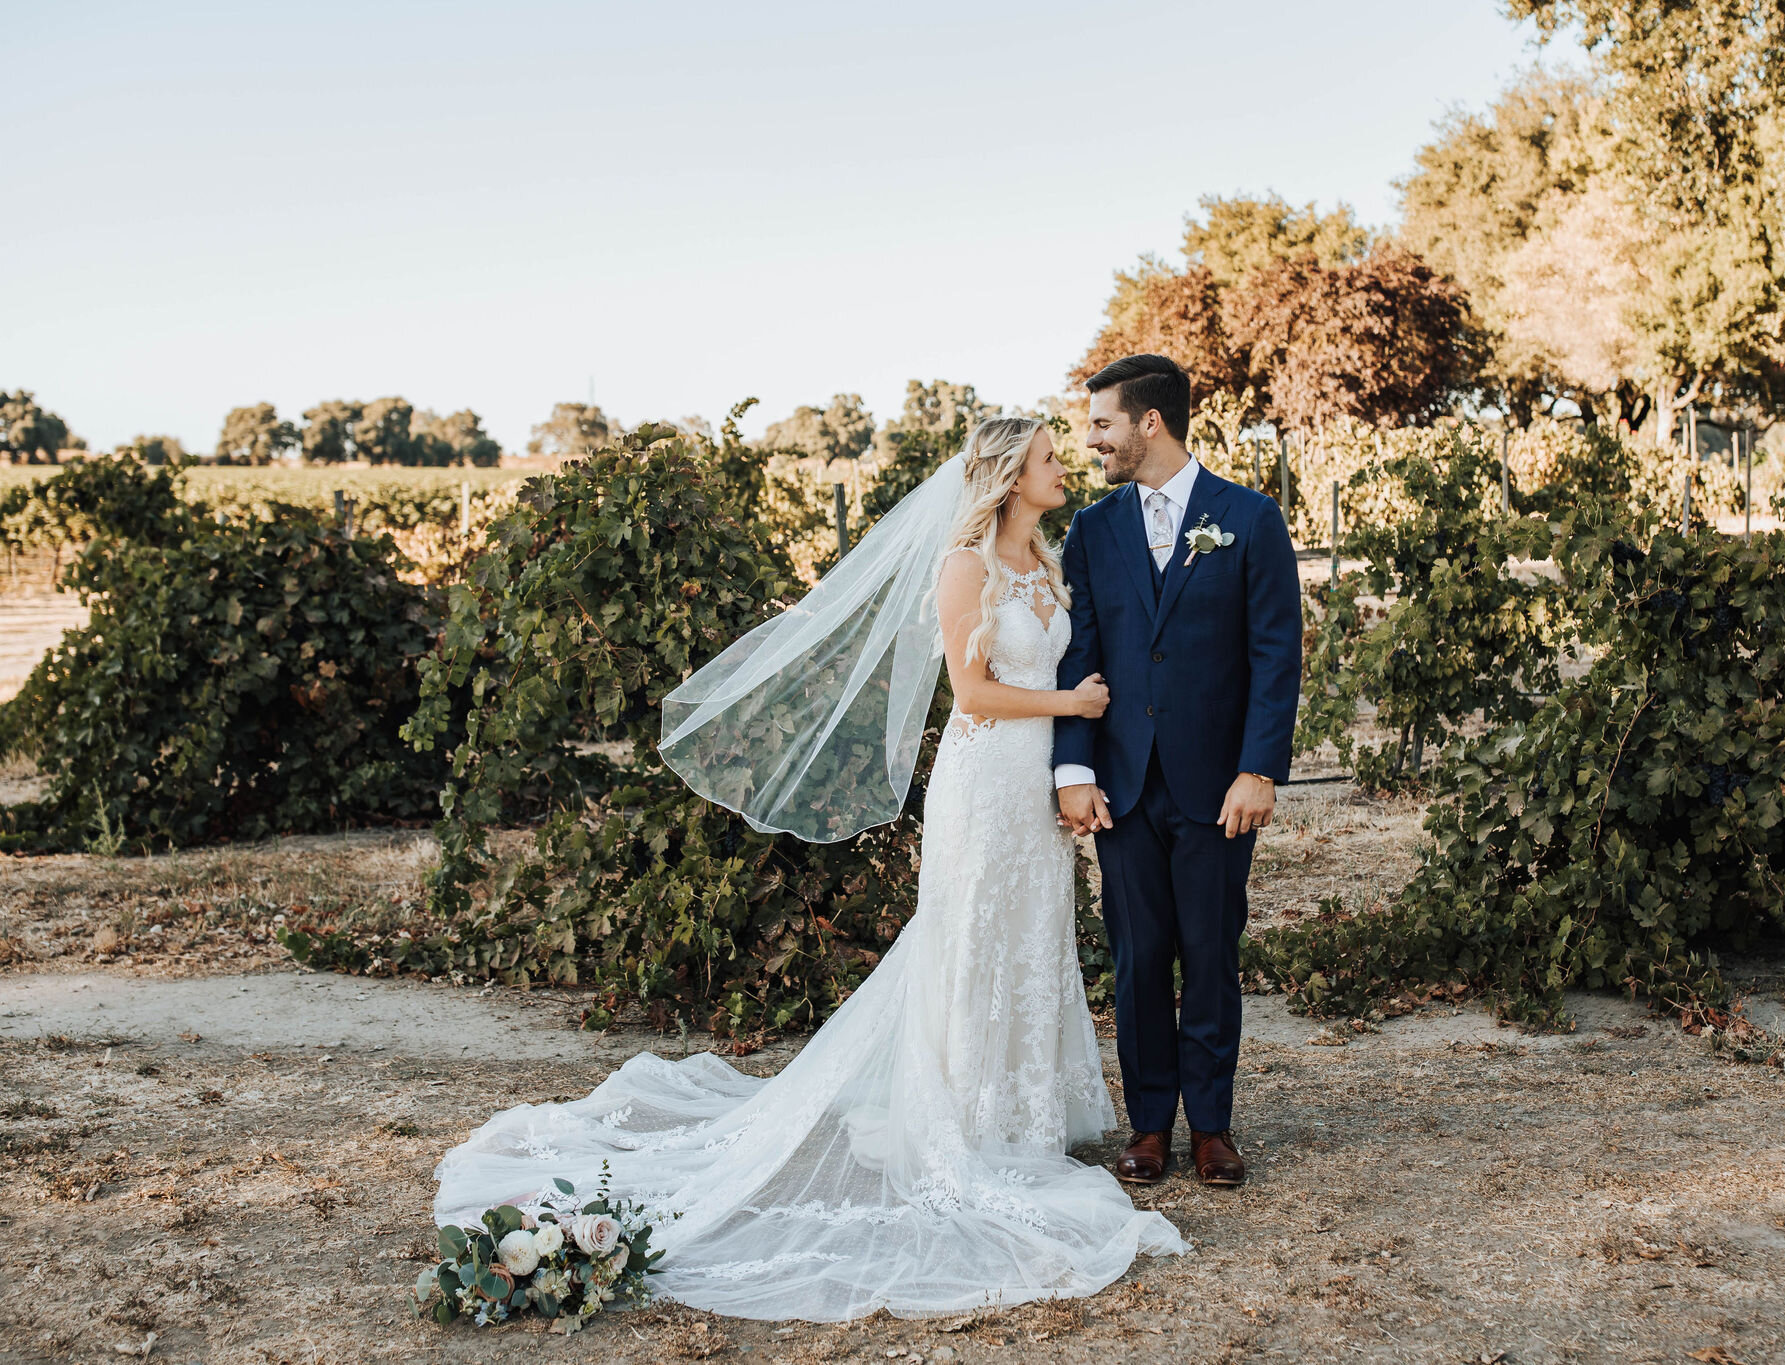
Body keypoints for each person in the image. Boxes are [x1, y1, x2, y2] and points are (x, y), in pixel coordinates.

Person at [433, 415, 1187, 1322]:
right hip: (983, 781)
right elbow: (975, 691)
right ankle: (970, 1122)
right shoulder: (966, 568)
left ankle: (1020, 1119)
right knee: (970, 940)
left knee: (1030, 940)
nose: (1065, 466)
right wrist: (1071, 698)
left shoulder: (1050, 563)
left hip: (1033, 791)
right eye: (1049, 458)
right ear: (1006, 475)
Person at [1053, 353, 1303, 1189]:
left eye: (1101, 423)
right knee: (1137, 957)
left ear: (1148, 422)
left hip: (1216, 786)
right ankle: (1150, 1124)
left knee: (1209, 953)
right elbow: (1078, 655)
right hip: (1121, 785)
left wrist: (1259, 769)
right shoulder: (1092, 531)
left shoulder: (1249, 517)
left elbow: (1275, 656)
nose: (1090, 439)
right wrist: (1073, 771)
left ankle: (1214, 1127)